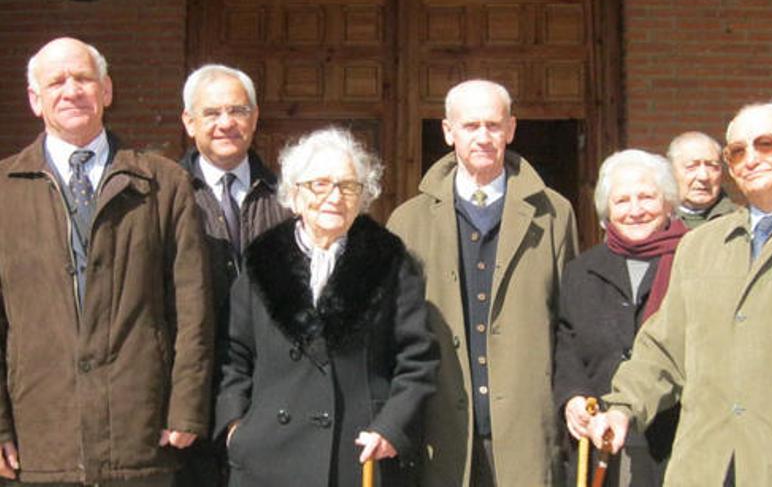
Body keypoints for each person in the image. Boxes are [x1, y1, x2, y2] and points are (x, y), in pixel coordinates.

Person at [585, 103, 772, 486]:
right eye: (737, 151)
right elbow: (663, 349)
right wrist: (623, 408)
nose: (751, 159)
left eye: (766, 144)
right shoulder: (701, 246)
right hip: (705, 469)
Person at [0, 37, 212, 485]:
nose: (71, 90)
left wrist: (187, 405)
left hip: (141, 432)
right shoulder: (4, 190)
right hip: (41, 436)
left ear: (107, 91)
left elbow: (192, 308)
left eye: (83, 79)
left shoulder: (164, 184)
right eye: (56, 81)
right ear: (35, 100)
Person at [214, 127, 438, 486]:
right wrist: (236, 427)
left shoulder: (390, 262)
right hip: (268, 458)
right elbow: (233, 352)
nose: (335, 196)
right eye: (320, 184)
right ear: (295, 194)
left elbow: (417, 359)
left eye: (348, 186)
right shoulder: (262, 262)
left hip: (358, 453)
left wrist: (391, 427)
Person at [387, 79, 579, 486]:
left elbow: (568, 323)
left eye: (493, 126)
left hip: (524, 429)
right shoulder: (407, 220)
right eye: (470, 126)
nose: (483, 137)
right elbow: (395, 333)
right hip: (441, 431)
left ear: (511, 129)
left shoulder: (555, 213)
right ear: (447, 131)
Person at [176, 64, 290, 486]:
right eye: (212, 113)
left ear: (255, 118)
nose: (226, 123)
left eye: (238, 110)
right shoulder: (166, 196)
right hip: (191, 394)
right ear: (189, 122)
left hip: (269, 393)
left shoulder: (289, 197)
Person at [554, 150, 686, 487]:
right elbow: (565, 342)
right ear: (607, 211)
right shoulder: (580, 271)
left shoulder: (693, 260)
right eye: (623, 200)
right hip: (602, 438)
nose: (635, 210)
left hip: (676, 435)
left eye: (646, 197)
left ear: (668, 203)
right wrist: (573, 396)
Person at [666, 131, 738, 228]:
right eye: (691, 167)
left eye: (712, 166)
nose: (703, 177)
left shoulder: (738, 221)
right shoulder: (656, 221)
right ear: (671, 171)